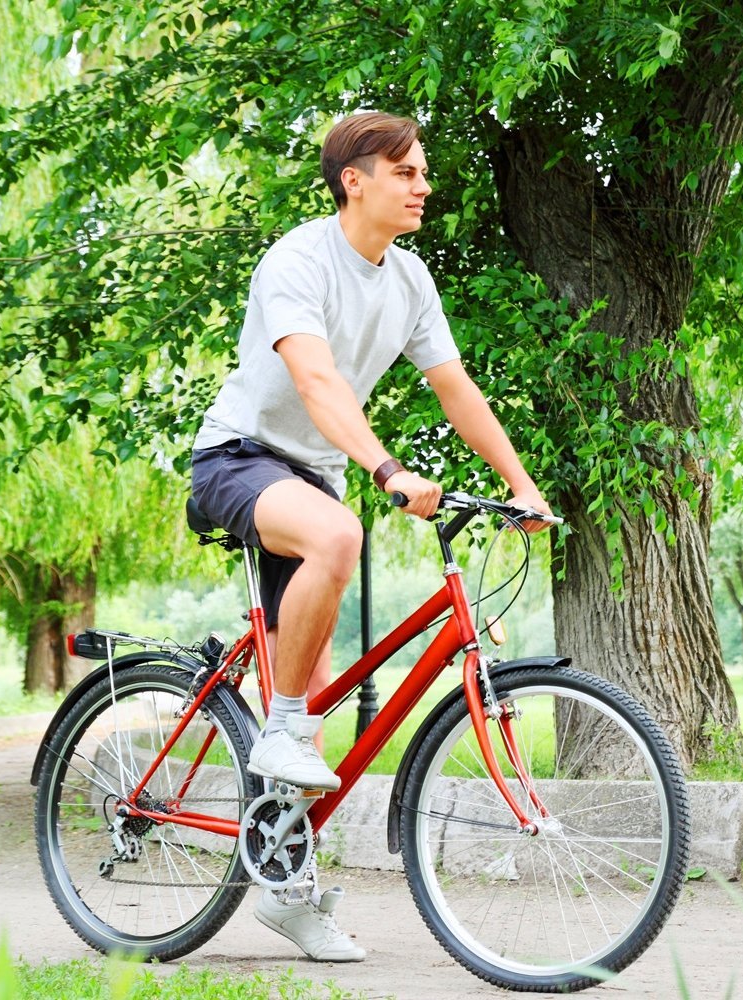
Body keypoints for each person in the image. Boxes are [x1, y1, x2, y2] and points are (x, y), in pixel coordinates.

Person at [190, 111, 551, 962]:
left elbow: (455, 389)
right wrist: (388, 470)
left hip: (311, 477)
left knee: (322, 696)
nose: (425, 185)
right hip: (239, 458)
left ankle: (286, 886)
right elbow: (314, 379)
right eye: (408, 172)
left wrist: (521, 485)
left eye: (423, 172)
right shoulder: (299, 260)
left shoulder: (411, 281)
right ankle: (275, 722)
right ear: (356, 179)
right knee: (339, 537)